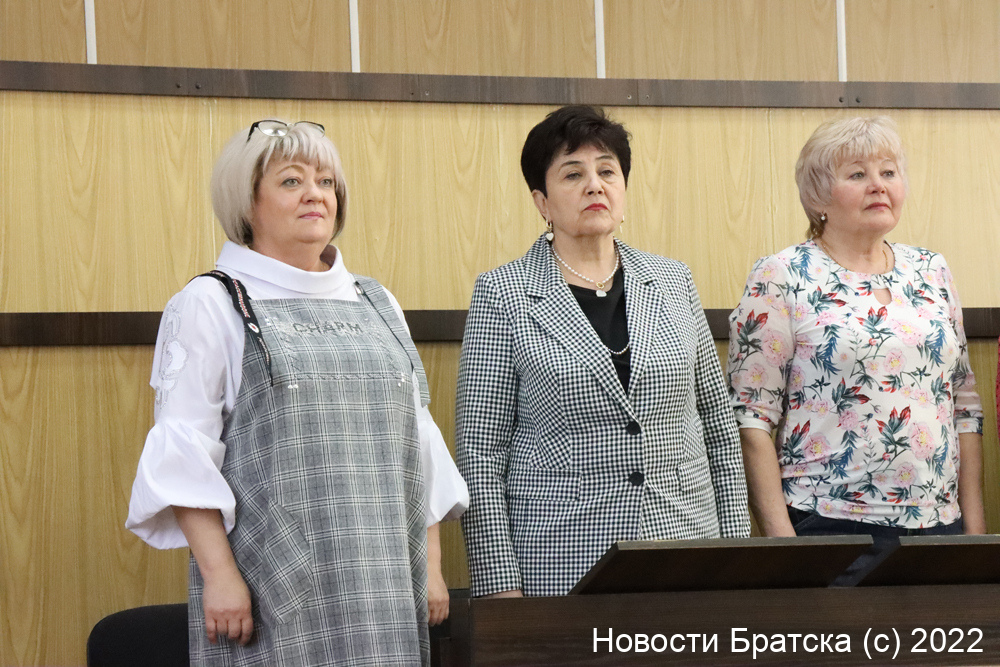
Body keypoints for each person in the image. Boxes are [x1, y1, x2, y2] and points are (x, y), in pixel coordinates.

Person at [126, 119, 468, 665]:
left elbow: (419, 442)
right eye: (291, 181)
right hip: (272, 589)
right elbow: (183, 452)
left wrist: (430, 567)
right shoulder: (211, 303)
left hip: (387, 582)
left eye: (326, 181)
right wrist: (220, 576)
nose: (316, 194)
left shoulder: (378, 302)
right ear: (247, 203)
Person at [455, 105, 750, 599]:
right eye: (573, 174)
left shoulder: (673, 281)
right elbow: (481, 454)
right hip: (563, 556)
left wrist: (736, 556)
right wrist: (500, 586)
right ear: (542, 202)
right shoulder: (504, 293)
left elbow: (718, 428)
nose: (595, 185)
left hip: (685, 543)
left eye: (607, 171)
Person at [727, 116, 985, 583]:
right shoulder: (782, 274)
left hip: (940, 527)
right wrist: (784, 546)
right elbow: (751, 417)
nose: (878, 185)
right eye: (858, 174)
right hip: (829, 526)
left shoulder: (931, 270)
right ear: (818, 196)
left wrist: (975, 536)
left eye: (889, 172)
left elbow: (964, 408)